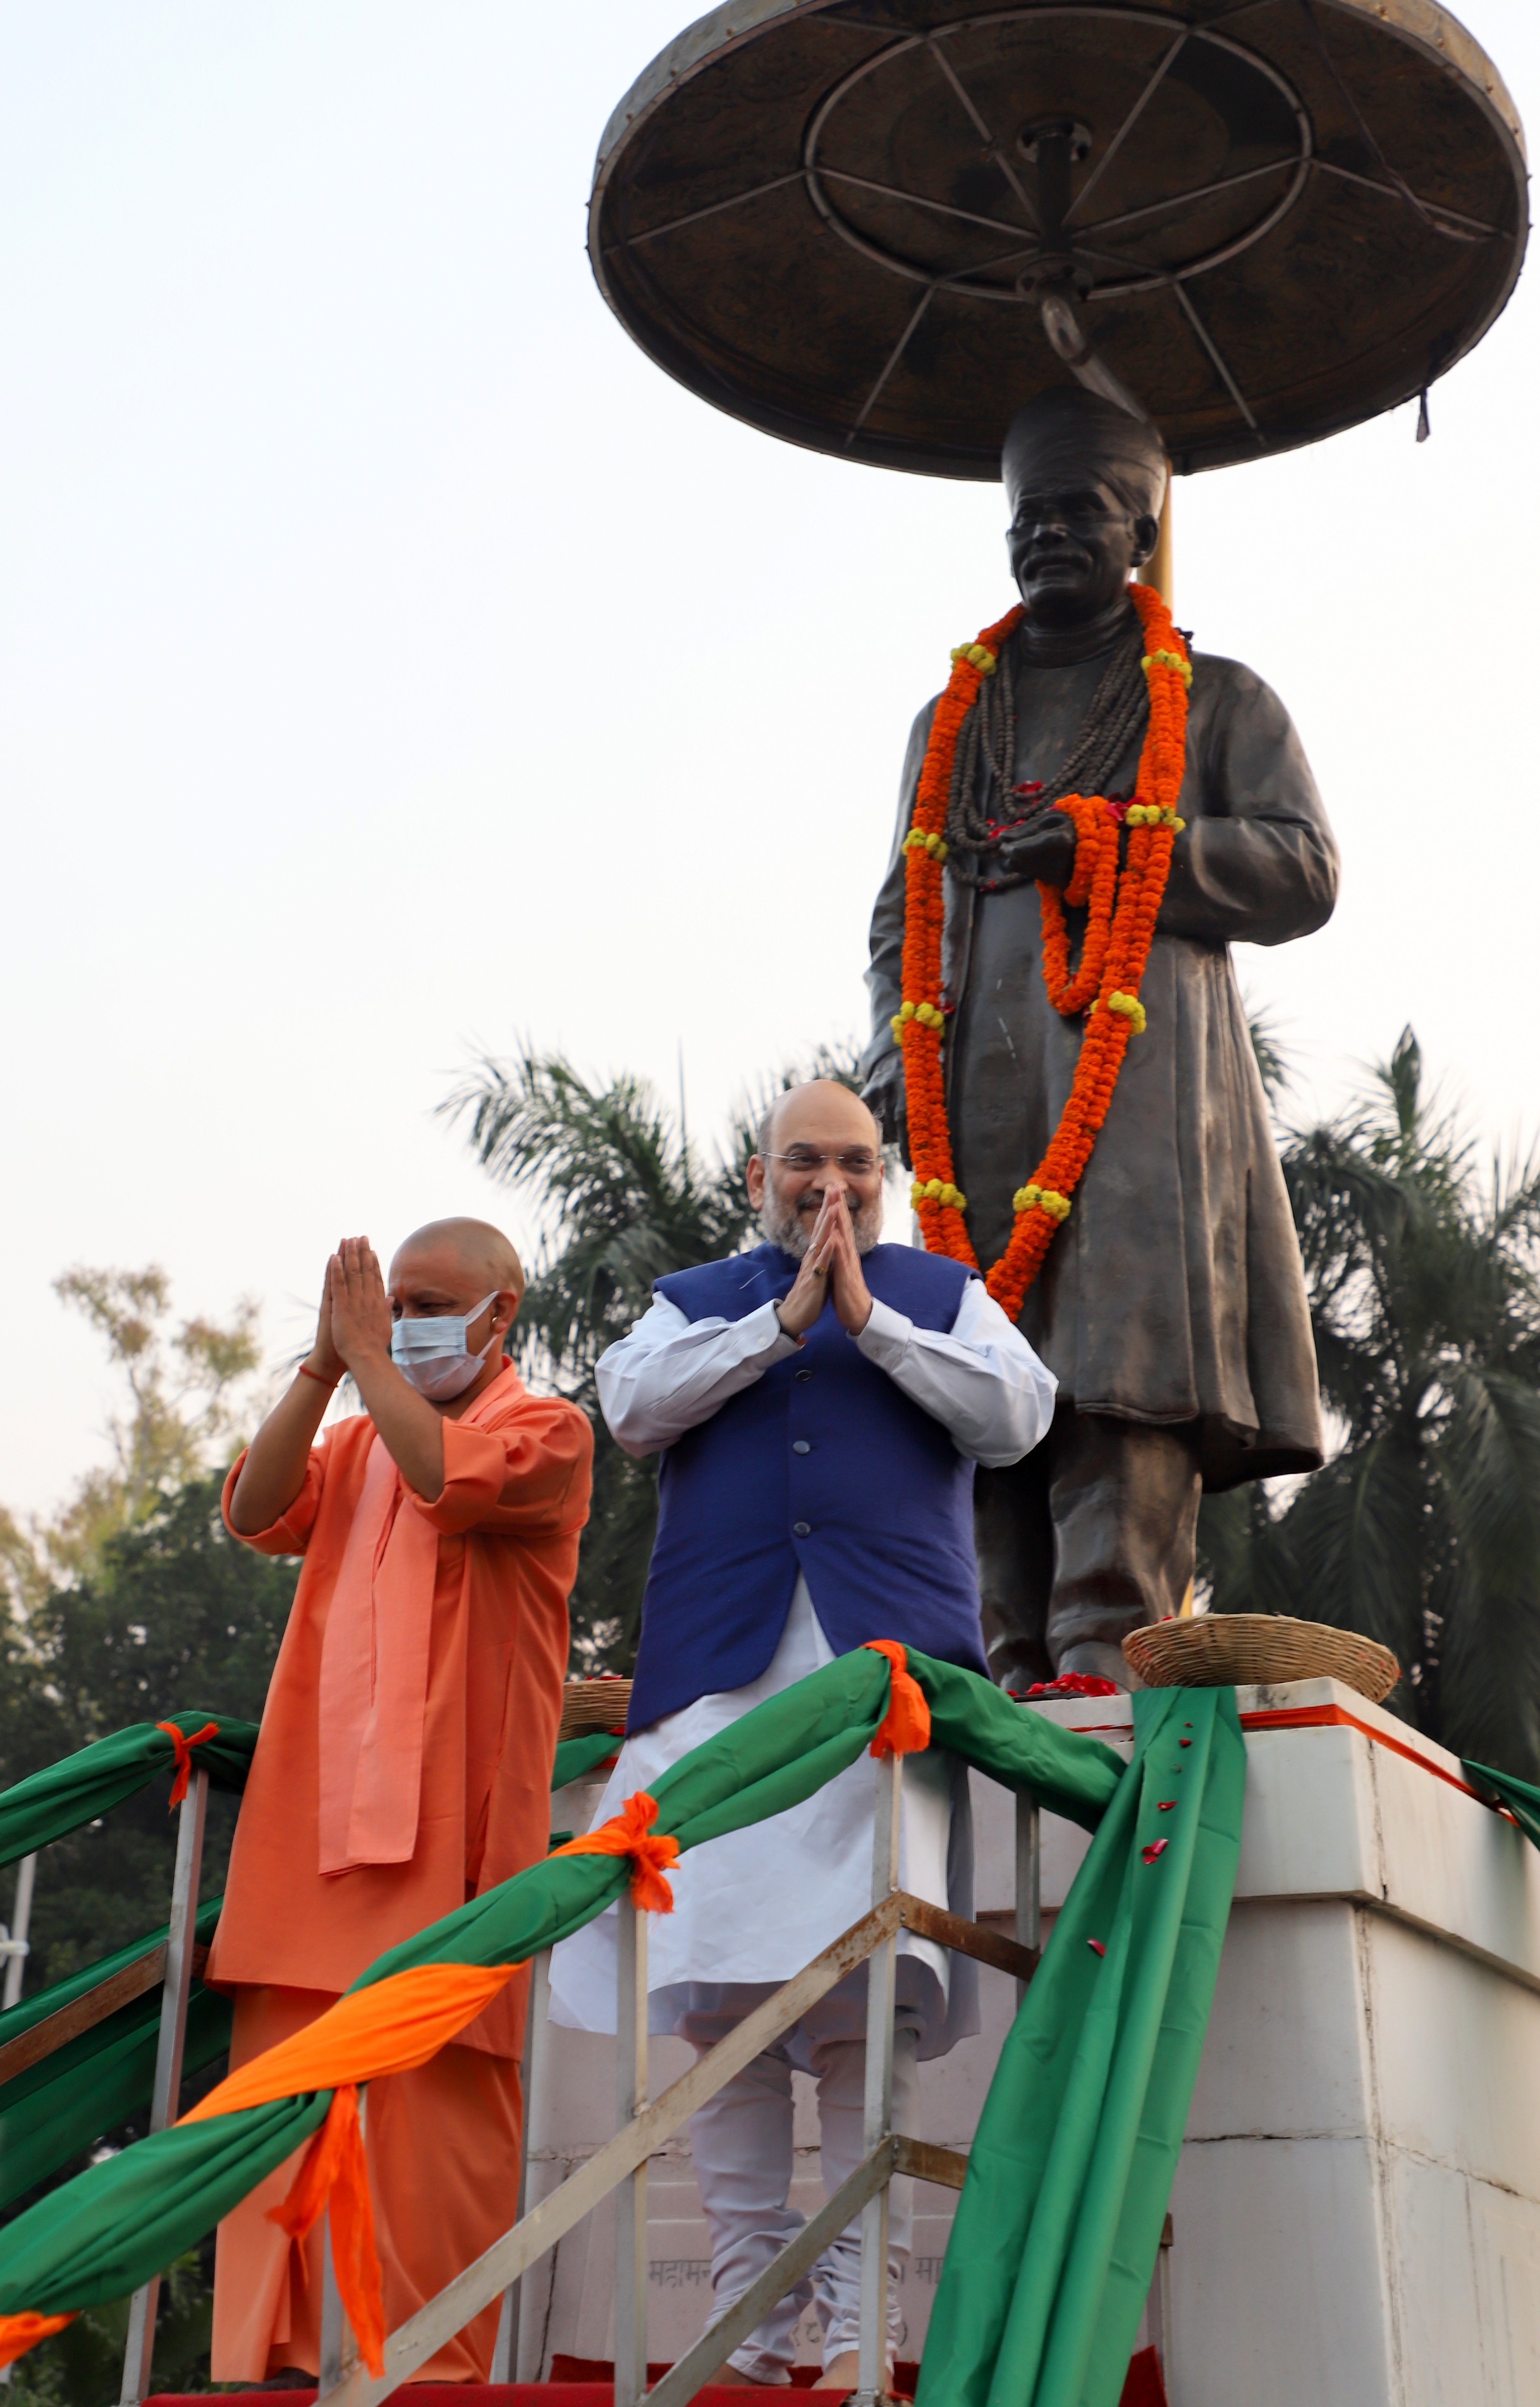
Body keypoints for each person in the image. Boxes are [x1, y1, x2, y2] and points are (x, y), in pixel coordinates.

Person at [549, 1077, 1054, 2390]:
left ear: (882, 1175)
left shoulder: (941, 1294)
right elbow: (634, 1406)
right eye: (802, 1164)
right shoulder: (695, 1299)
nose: (829, 1186)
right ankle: (746, 2323)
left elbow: (1018, 1416)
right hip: (717, 1693)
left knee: (861, 2005)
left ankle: (856, 2327)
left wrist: (871, 1323)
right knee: (724, 2009)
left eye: (852, 1162)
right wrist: (781, 1325)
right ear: (759, 1176)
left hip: (879, 1699)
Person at [863, 384, 1337, 1693]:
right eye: (1029, 517)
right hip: (972, 1086)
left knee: (1121, 1369)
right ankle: (1001, 1663)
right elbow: (899, 913)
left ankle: (1102, 1657)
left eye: (1080, 513)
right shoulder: (946, 722)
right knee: (983, 1370)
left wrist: (1117, 844)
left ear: (1140, 531)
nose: (1047, 538)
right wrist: (883, 1065)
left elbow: (1302, 869)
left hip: (1139, 1089)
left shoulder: (1221, 700)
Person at [206, 1222, 592, 2386]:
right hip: (307, 1851)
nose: (406, 1321)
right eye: (393, 1303)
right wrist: (325, 1367)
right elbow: (253, 1510)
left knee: (429, 2145)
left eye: (430, 1303)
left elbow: (447, 1479)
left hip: (452, 1855)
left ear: (502, 1312)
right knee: (272, 2131)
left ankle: (421, 2371)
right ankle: (269, 2364)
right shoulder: (356, 1432)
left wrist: (371, 1362)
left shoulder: (549, 1431)